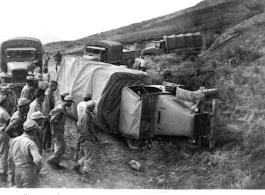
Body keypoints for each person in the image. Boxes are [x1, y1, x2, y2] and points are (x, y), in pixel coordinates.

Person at [5, 98, 31, 186]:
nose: (29, 107)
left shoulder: (20, 114)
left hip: (17, 140)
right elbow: (8, 130)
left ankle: (15, 180)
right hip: (15, 141)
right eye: (27, 106)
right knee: (12, 161)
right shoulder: (17, 118)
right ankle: (11, 182)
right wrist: (14, 137)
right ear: (22, 107)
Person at [9, 119, 42, 188]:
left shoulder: (14, 140)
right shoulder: (30, 143)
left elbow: (10, 157)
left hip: (17, 169)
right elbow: (37, 160)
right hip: (28, 171)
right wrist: (37, 168)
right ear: (33, 130)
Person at [71, 100, 97, 184]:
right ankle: (85, 177)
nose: (94, 108)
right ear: (91, 107)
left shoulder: (84, 113)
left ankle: (77, 166)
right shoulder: (86, 117)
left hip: (82, 139)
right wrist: (91, 139)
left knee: (85, 155)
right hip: (87, 139)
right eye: (94, 107)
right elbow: (85, 131)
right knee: (89, 157)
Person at [46, 95, 74, 169]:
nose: (71, 103)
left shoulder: (62, 107)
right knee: (62, 147)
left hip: (59, 129)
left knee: (60, 146)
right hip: (57, 130)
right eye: (70, 102)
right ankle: (51, 160)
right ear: (67, 101)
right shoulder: (60, 108)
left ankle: (56, 163)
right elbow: (52, 119)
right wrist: (55, 129)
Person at [74, 93, 91, 161]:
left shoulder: (79, 104)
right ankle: (80, 158)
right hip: (84, 124)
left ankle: (76, 156)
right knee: (83, 141)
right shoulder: (86, 106)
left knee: (78, 141)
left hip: (79, 123)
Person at [42, 80, 58, 151]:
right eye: (56, 86)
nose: (56, 88)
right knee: (46, 130)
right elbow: (47, 107)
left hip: (48, 114)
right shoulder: (48, 94)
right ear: (52, 86)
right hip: (47, 114)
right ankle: (43, 145)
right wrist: (48, 117)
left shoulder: (50, 93)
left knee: (48, 130)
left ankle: (47, 144)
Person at [0, 102, 11, 182]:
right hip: (2, 133)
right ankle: (3, 172)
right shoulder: (3, 112)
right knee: (4, 153)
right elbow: (8, 121)